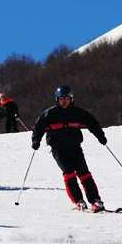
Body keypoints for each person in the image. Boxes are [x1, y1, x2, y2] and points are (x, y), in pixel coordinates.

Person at [31, 85, 108, 213]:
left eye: (67, 98)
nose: (64, 101)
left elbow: (92, 123)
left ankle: (95, 200)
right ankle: (78, 200)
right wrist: (36, 141)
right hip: (58, 149)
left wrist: (101, 136)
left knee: (84, 173)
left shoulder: (77, 112)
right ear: (57, 99)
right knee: (69, 173)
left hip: (75, 147)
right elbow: (38, 127)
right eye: (61, 99)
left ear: (71, 99)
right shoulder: (50, 113)